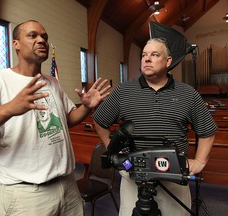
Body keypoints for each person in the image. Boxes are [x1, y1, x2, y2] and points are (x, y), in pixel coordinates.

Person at [0, 20, 111, 216]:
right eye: (32, 35)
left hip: (67, 185)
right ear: (16, 44)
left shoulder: (52, 82)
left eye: (44, 36)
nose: (41, 40)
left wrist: (86, 108)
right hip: (26, 194)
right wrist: (10, 108)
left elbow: (67, 119)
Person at [92, 38, 218, 216]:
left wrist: (199, 162)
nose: (147, 59)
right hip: (134, 175)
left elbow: (207, 130)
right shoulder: (123, 91)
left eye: (154, 54)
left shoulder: (188, 93)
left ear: (168, 61)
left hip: (173, 178)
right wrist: (112, 151)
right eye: (144, 55)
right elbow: (100, 120)